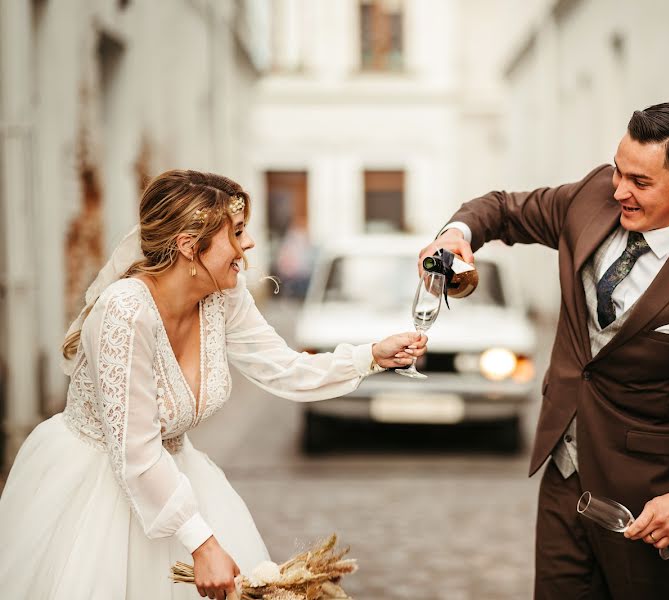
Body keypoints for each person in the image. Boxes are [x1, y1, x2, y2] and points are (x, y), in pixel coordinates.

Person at [0, 170, 427, 600]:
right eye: (237, 233)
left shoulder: (223, 295)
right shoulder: (125, 312)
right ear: (189, 245)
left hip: (177, 481)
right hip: (97, 492)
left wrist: (370, 356)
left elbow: (283, 367)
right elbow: (135, 452)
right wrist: (202, 542)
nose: (249, 244)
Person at [419, 101, 669, 599]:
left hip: (650, 507)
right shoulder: (591, 197)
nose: (619, 190)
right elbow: (503, 209)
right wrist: (455, 235)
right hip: (563, 480)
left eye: (640, 181)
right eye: (617, 169)